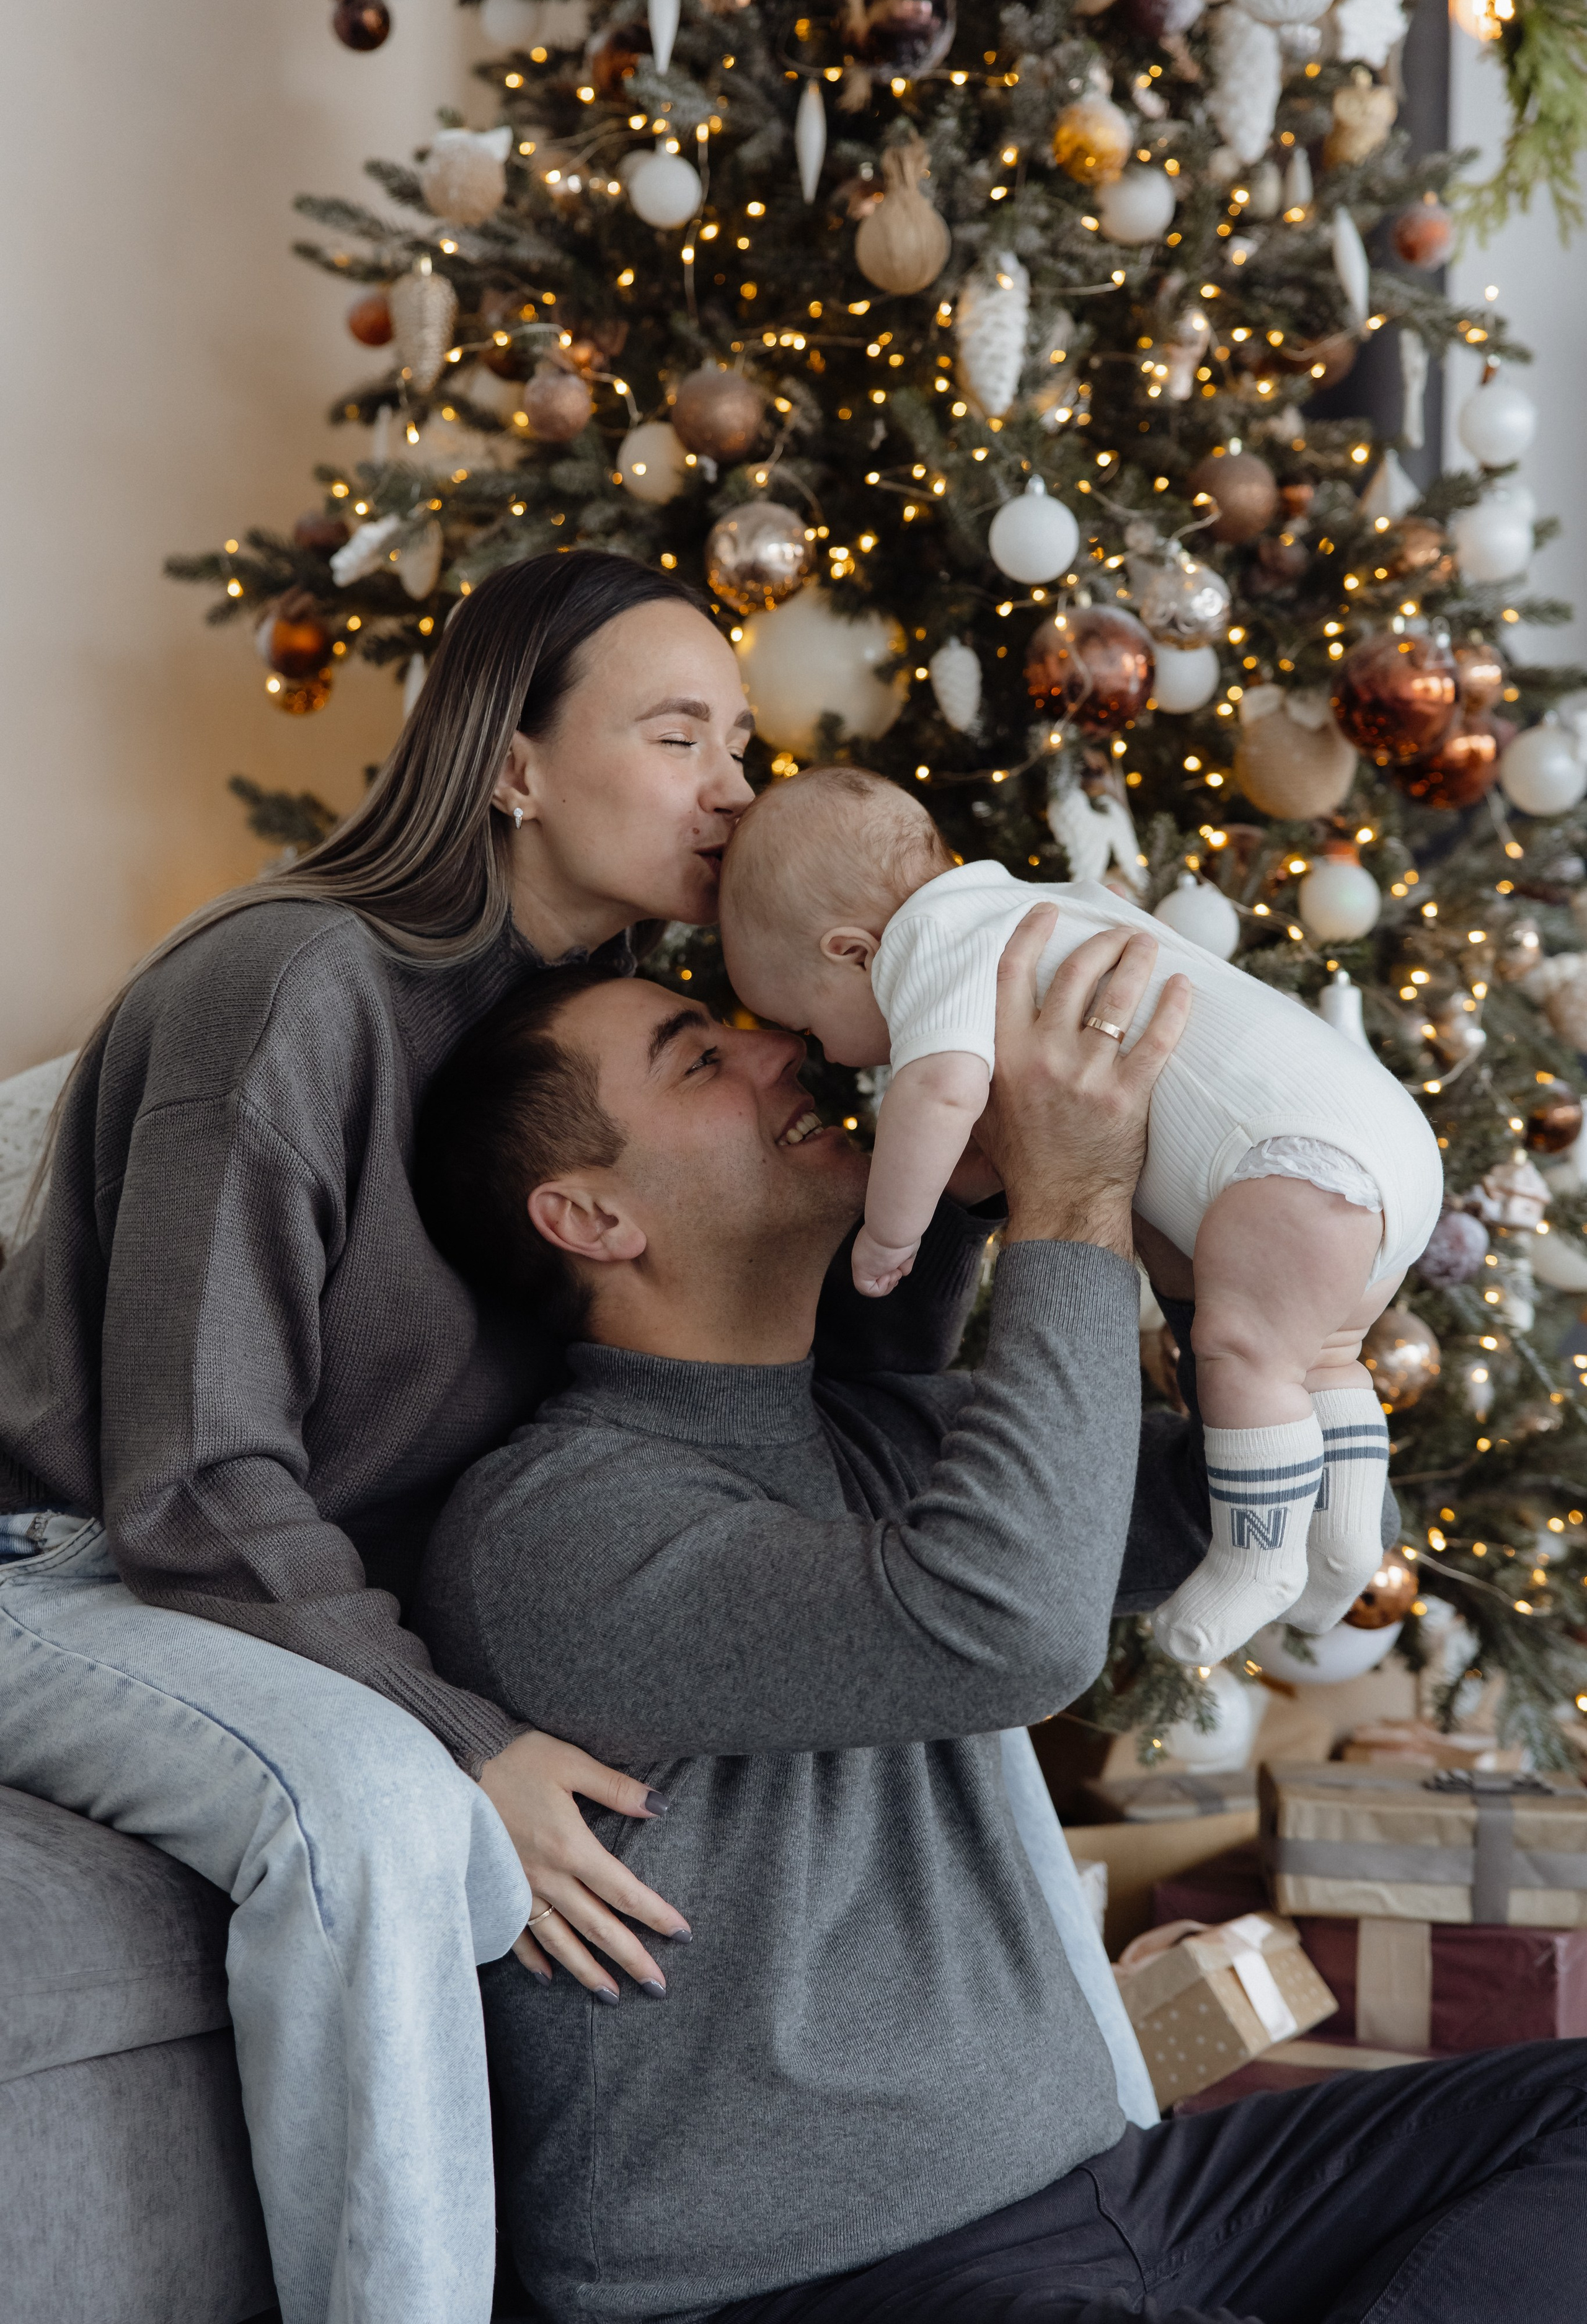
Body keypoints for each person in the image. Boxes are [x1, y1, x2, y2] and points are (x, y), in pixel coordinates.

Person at [415, 927, 1586, 2324]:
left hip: (1112, 2186)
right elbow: (1008, 1627)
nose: (778, 1048)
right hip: (831, 2280)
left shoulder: (868, 1431)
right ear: (591, 1218)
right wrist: (1065, 1191)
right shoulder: (555, 1525)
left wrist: (1231, 1241)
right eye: (699, 1061)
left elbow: (1210, 1506)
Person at [0, 552, 762, 2324]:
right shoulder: (291, 985)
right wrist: (449, 1729)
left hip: (248, 1601)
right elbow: (190, 1471)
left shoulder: (583, 1056)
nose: (737, 786)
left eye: (744, 740)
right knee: (375, 1815)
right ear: (510, 762)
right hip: (68, 1571)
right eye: (677, 734)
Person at [718, 766, 1444, 1664]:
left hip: (1288, 1164)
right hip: (1378, 1137)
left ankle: (1259, 1557)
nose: (818, 1053)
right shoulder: (1041, 901)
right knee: (1323, 1356)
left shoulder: (929, 944)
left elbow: (940, 1091)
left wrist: (891, 1231)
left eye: (811, 1027)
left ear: (851, 952)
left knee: (1242, 1355)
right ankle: (1343, 1543)